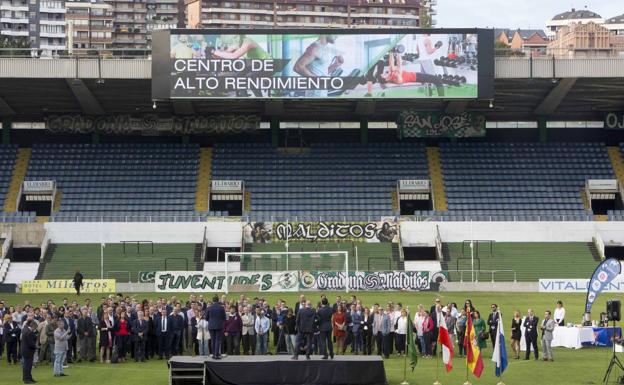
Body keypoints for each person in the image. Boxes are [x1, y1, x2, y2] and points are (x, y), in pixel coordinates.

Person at [21, 319, 37, 384]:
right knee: (27, 366)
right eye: (34, 328)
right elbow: (30, 343)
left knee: (28, 365)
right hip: (28, 351)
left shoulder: (25, 329)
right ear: (32, 326)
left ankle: (29, 377)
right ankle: (26, 379)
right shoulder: (28, 332)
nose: (34, 329)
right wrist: (36, 347)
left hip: (26, 350)